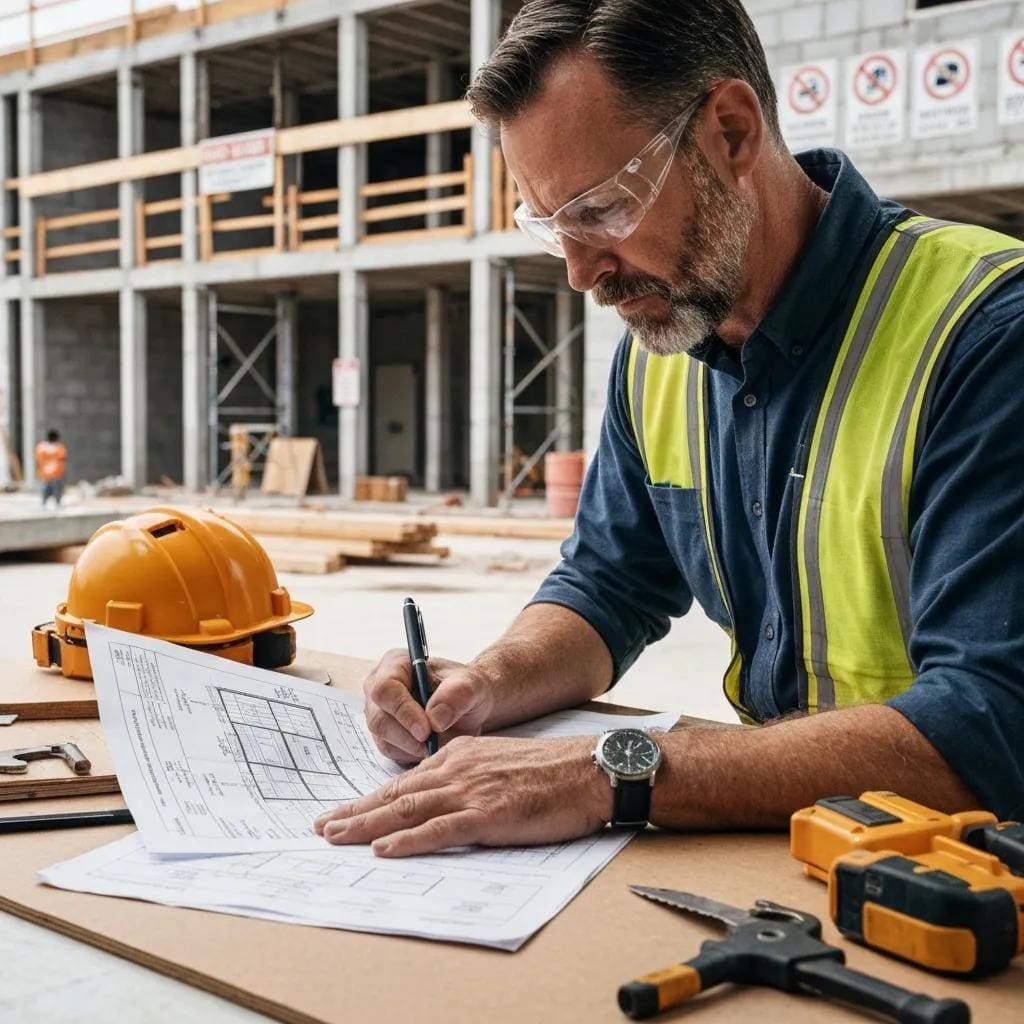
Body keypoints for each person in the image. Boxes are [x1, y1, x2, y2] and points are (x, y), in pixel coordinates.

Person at [315, 0, 1024, 857]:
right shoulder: (663, 350)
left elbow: (989, 722)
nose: (582, 274)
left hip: (976, 869)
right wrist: (485, 684)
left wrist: (608, 771)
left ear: (730, 132)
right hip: (799, 843)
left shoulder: (985, 334)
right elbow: (609, 586)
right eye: (550, 228)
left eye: (603, 209)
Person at [35, 429, 67, 509]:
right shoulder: (59, 447)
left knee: (45, 489)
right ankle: (57, 503)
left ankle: (44, 503)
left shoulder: (41, 447)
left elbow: (38, 459)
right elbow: (63, 458)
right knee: (57, 489)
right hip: (56, 473)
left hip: (45, 473)